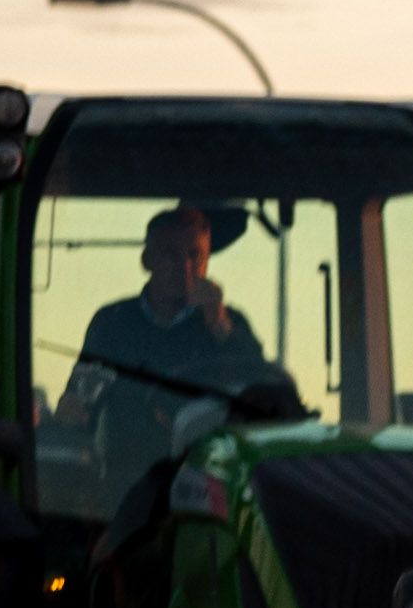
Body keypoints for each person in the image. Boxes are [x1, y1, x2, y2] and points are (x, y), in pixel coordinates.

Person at [54, 201, 273, 498]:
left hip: (210, 484)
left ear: (208, 260)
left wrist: (219, 324)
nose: (185, 268)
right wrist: (71, 414)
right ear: (147, 260)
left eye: (195, 255)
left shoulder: (228, 324)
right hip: (128, 484)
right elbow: (81, 402)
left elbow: (261, 395)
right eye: (170, 254)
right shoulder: (114, 323)